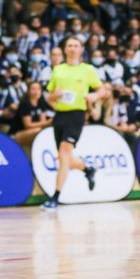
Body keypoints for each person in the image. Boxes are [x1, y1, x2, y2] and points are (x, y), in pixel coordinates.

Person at [42, 37, 109, 210]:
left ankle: (55, 197)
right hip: (60, 115)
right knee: (65, 157)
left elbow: (102, 90)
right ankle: (88, 170)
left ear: (81, 49)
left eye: (76, 46)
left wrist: (95, 96)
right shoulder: (58, 69)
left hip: (76, 115)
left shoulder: (87, 69)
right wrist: (54, 96)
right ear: (65, 49)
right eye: (70, 45)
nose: (72, 48)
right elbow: (49, 96)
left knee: (64, 151)